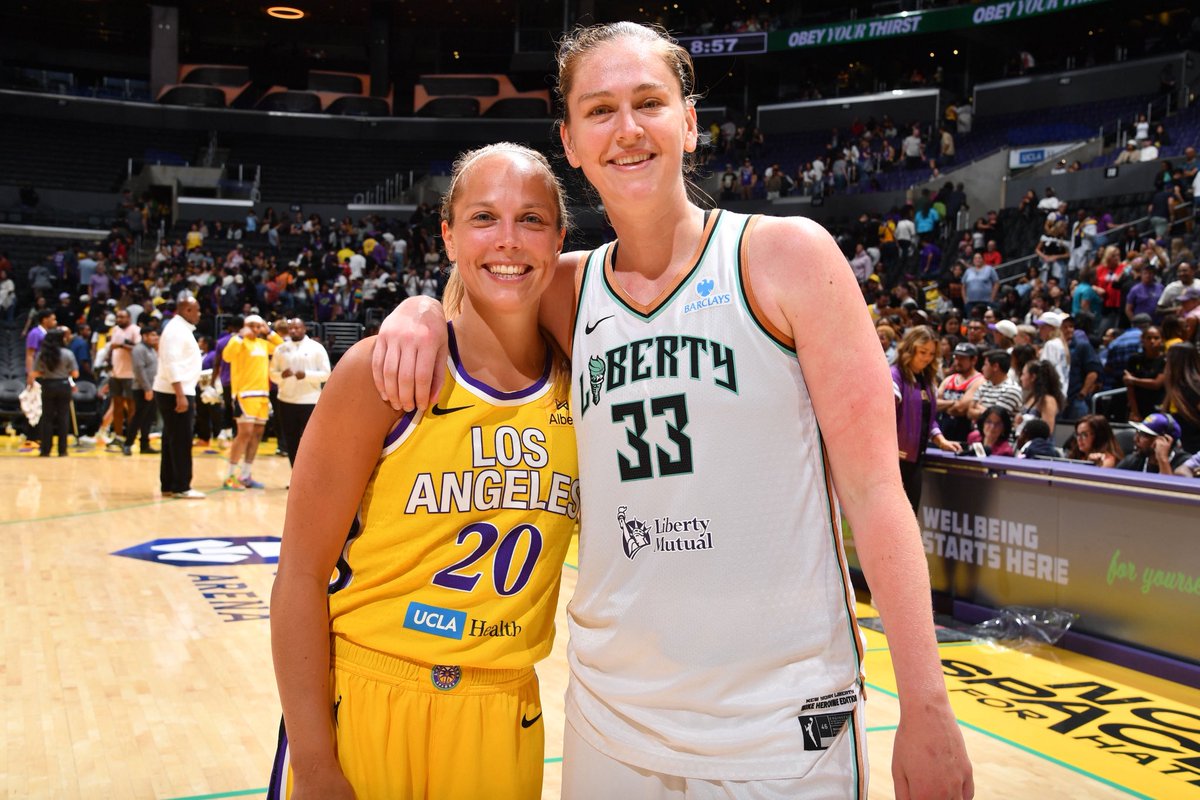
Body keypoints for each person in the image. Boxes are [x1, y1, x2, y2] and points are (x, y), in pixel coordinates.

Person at [371, 22, 972, 799]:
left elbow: (874, 492)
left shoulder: (786, 257)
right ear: (572, 141)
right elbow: (476, 290)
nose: (627, 129)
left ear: (689, 122)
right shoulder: (564, 289)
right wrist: (418, 310)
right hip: (612, 720)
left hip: (780, 723)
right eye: (599, 110)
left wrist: (926, 706)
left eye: (649, 102)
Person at [268, 143, 578, 800]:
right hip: (367, 694)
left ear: (559, 238)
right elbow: (298, 576)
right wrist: (317, 763)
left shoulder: (583, 384)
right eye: (483, 218)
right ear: (448, 232)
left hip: (502, 713)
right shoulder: (380, 373)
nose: (508, 240)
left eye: (531, 219)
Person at [892, 326, 962, 511]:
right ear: (910, 349)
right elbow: (885, 413)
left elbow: (928, 419)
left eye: (931, 353)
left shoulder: (927, 379)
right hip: (893, 461)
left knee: (911, 515)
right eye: (922, 352)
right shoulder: (894, 375)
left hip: (915, 460)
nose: (927, 357)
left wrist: (941, 440)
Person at [222, 314, 284, 489]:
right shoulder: (238, 342)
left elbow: (283, 348)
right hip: (244, 395)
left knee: (257, 434)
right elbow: (227, 356)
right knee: (244, 434)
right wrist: (240, 335)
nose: (255, 329)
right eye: (252, 325)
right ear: (244, 326)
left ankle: (246, 475)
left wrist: (270, 331)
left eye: (258, 326)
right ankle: (230, 475)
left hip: (262, 396)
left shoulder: (264, 344)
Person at [153, 297, 205, 499]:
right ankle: (182, 486)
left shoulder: (179, 328)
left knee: (171, 439)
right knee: (181, 440)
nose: (199, 314)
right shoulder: (176, 330)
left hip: (174, 390)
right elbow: (171, 362)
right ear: (188, 309)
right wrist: (180, 394)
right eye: (197, 310)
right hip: (176, 392)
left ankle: (168, 484)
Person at [268, 318, 331, 467]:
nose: (294, 331)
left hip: (310, 401)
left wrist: (306, 375)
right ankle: (294, 477)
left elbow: (326, 374)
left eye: (297, 328)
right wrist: (282, 375)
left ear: (304, 328)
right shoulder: (281, 349)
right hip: (286, 400)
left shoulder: (316, 348)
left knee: (312, 441)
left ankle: (312, 475)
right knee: (291, 441)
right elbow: (272, 374)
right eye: (291, 328)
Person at [30, 329, 78, 456]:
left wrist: (46, 372)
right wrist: (63, 372)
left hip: (48, 385)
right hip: (63, 386)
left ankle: (45, 450)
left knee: (47, 418)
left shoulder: (42, 354)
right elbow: (75, 374)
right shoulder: (68, 353)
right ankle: (62, 451)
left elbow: (35, 373)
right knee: (63, 418)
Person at [107, 308, 141, 453]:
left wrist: (122, 345)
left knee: (132, 408)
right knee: (117, 406)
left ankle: (131, 437)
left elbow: (138, 349)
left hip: (130, 374)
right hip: (115, 373)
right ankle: (118, 436)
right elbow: (112, 349)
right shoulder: (115, 330)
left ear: (129, 318)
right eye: (118, 317)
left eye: (122, 317)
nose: (119, 320)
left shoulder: (135, 330)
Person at [1116, 412, 1192, 473]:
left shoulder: (1185, 464)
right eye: (1137, 432)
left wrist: (1162, 459)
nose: (1135, 439)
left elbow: (1169, 491)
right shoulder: (1133, 461)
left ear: (1165, 440)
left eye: (1144, 435)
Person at [1162, 342, 1200, 454]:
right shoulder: (1176, 385)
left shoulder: (1195, 386)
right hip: (1181, 447)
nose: (1165, 362)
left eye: (1168, 358)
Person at [128, 327, 160, 455]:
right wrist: (147, 388)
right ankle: (128, 444)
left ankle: (144, 445)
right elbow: (139, 371)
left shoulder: (152, 349)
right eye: (153, 335)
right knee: (138, 417)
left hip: (153, 388)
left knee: (148, 418)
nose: (156, 337)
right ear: (144, 336)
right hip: (142, 389)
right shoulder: (139, 349)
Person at [1019, 359, 1064, 437]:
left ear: (1033, 377)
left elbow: (1047, 431)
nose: (1021, 378)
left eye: (1023, 374)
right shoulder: (1031, 397)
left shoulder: (1048, 401)